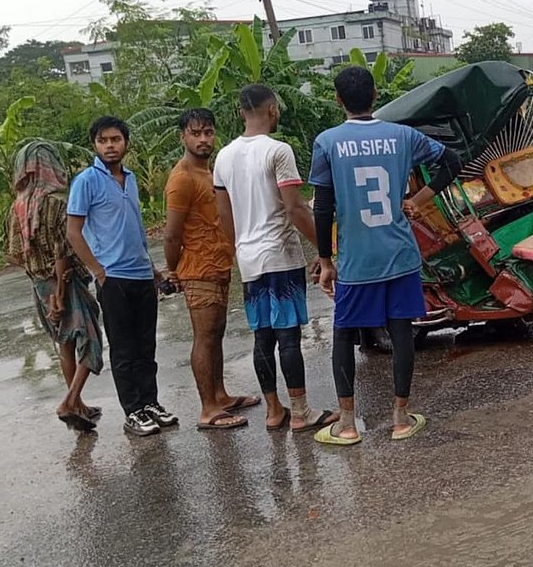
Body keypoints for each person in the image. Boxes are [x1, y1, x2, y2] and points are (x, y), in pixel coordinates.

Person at [310, 65, 461, 446]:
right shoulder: (403, 136)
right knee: (401, 331)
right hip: (399, 255)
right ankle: (401, 418)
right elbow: (452, 162)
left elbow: (323, 207)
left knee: (344, 334)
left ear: (338, 99)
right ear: (375, 95)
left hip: (357, 260)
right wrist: (418, 200)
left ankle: (347, 424)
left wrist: (325, 261)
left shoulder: (327, 142)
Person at [212, 84, 337, 434]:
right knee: (288, 337)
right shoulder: (278, 151)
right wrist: (324, 251)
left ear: (241, 112)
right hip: (280, 255)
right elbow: (295, 208)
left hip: (249, 259)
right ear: (272, 110)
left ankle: (273, 409)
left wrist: (238, 249)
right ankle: (300, 411)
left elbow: (225, 216)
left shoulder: (223, 157)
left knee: (263, 337)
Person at [67, 116, 177, 437]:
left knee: (146, 346)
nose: (110, 146)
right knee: (124, 349)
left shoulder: (130, 179)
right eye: (103, 141)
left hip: (141, 275)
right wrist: (98, 271)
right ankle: (133, 411)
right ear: (94, 145)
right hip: (113, 278)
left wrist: (153, 270)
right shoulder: (86, 181)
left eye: (115, 139)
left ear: (126, 142)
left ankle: (150, 403)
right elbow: (74, 232)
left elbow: (137, 230)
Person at [163, 108, 261, 432]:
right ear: (183, 137)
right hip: (197, 268)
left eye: (208, 132)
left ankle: (220, 394)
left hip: (218, 264)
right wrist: (173, 270)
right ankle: (208, 409)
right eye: (196, 133)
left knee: (216, 333)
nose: (203, 139)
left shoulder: (208, 172)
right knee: (204, 337)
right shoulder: (182, 178)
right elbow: (171, 234)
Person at [3, 139, 104, 434]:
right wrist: (60, 291)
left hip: (39, 285)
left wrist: (41, 280)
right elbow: (64, 251)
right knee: (91, 339)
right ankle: (70, 402)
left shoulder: (16, 208)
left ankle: (79, 403)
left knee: (65, 344)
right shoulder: (58, 203)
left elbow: (14, 254)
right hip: (64, 283)